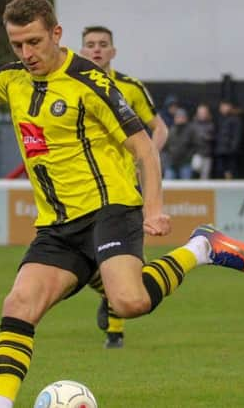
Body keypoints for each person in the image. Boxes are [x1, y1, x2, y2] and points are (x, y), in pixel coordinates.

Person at [0, 0, 244, 408]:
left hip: (110, 210)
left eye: (34, 42)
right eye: (17, 44)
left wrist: (154, 208)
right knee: (18, 303)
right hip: (57, 227)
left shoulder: (91, 83)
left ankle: (202, 247)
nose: (26, 53)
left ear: (56, 33)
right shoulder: (13, 79)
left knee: (129, 302)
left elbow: (145, 147)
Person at [79, 24, 168, 348]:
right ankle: (109, 293)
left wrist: (145, 160)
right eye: (91, 44)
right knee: (81, 260)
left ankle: (115, 332)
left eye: (103, 44)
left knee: (120, 256)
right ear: (82, 50)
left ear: (113, 51)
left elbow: (160, 129)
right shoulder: (68, 85)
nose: (97, 49)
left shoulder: (129, 88)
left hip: (121, 188)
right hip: (81, 189)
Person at [163, 108, 196, 180]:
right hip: (171, 163)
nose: (180, 119)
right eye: (178, 117)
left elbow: (194, 146)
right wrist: (167, 160)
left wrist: (188, 157)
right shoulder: (171, 130)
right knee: (168, 185)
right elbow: (165, 147)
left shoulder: (191, 130)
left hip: (185, 163)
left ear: (186, 118)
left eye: (182, 117)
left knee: (186, 186)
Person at [213, 99, 242, 179]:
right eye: (221, 107)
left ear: (229, 107)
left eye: (224, 106)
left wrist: (232, 149)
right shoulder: (219, 119)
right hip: (219, 151)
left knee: (230, 172)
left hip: (230, 152)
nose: (222, 108)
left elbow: (237, 135)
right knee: (220, 171)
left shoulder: (235, 119)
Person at [191, 103, 215, 179]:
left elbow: (213, 138)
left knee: (205, 178)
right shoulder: (193, 125)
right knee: (195, 168)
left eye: (204, 112)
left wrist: (207, 137)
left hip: (207, 155)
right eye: (200, 113)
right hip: (197, 153)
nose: (202, 114)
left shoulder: (211, 124)